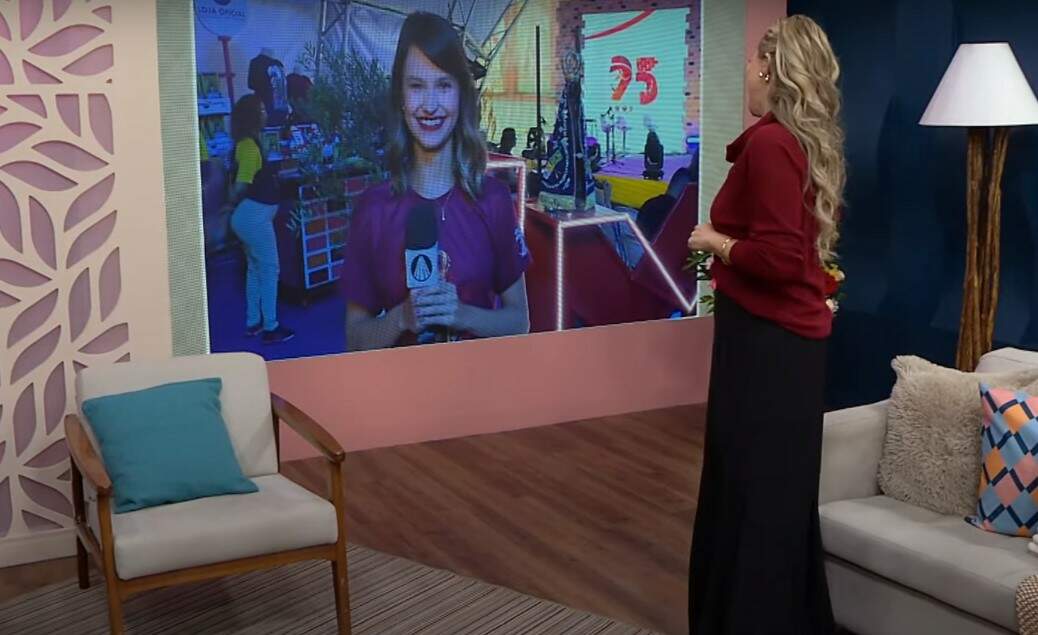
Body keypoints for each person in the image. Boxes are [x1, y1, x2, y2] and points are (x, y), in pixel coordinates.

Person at [686, 15, 845, 634]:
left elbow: (778, 259)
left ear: (772, 70)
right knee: (770, 497)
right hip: (779, 346)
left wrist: (715, 242)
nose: (748, 73)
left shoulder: (773, 145)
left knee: (752, 495)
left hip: (766, 348)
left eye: (754, 61)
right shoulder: (796, 143)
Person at [342, 12, 531, 352]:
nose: (430, 105)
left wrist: (463, 315)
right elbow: (355, 339)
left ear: (461, 96)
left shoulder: (493, 199)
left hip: (481, 382)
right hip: (403, 384)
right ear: (401, 98)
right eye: (416, 86)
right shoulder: (373, 209)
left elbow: (519, 322)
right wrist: (401, 318)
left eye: (443, 85)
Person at [225, 94, 294, 344]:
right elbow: (240, 185)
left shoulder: (246, 144)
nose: (266, 114)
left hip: (249, 218)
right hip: (254, 217)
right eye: (262, 110)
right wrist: (231, 201)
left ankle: (253, 322)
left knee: (255, 269)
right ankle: (270, 327)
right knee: (269, 269)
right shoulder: (249, 147)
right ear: (252, 116)